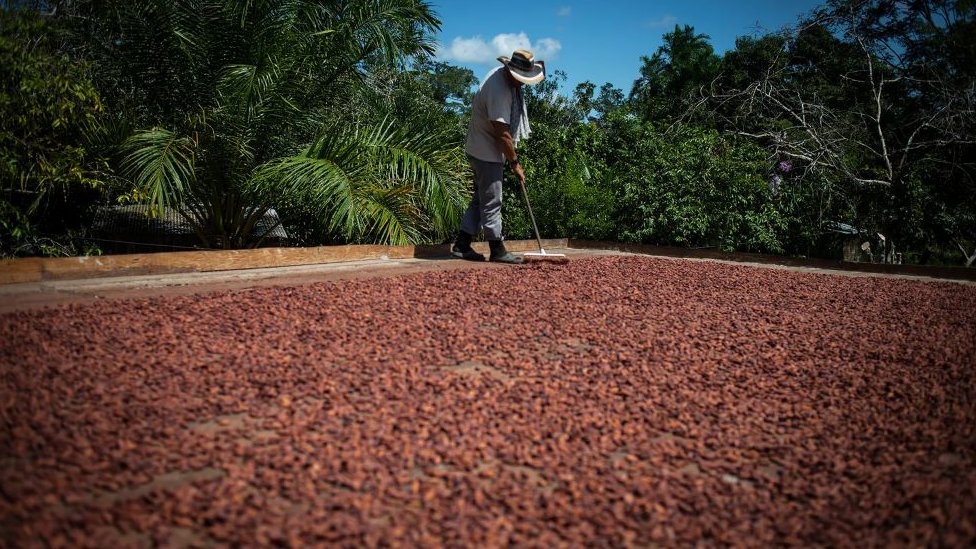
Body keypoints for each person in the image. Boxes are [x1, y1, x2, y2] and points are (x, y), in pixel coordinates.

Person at [452, 49, 545, 264]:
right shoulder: (500, 91)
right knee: (493, 200)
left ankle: (462, 244)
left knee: (480, 199)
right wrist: (515, 163)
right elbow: (503, 134)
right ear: (511, 71)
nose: (522, 84)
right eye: (521, 79)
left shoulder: (500, 75)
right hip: (486, 152)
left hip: (478, 147)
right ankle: (497, 249)